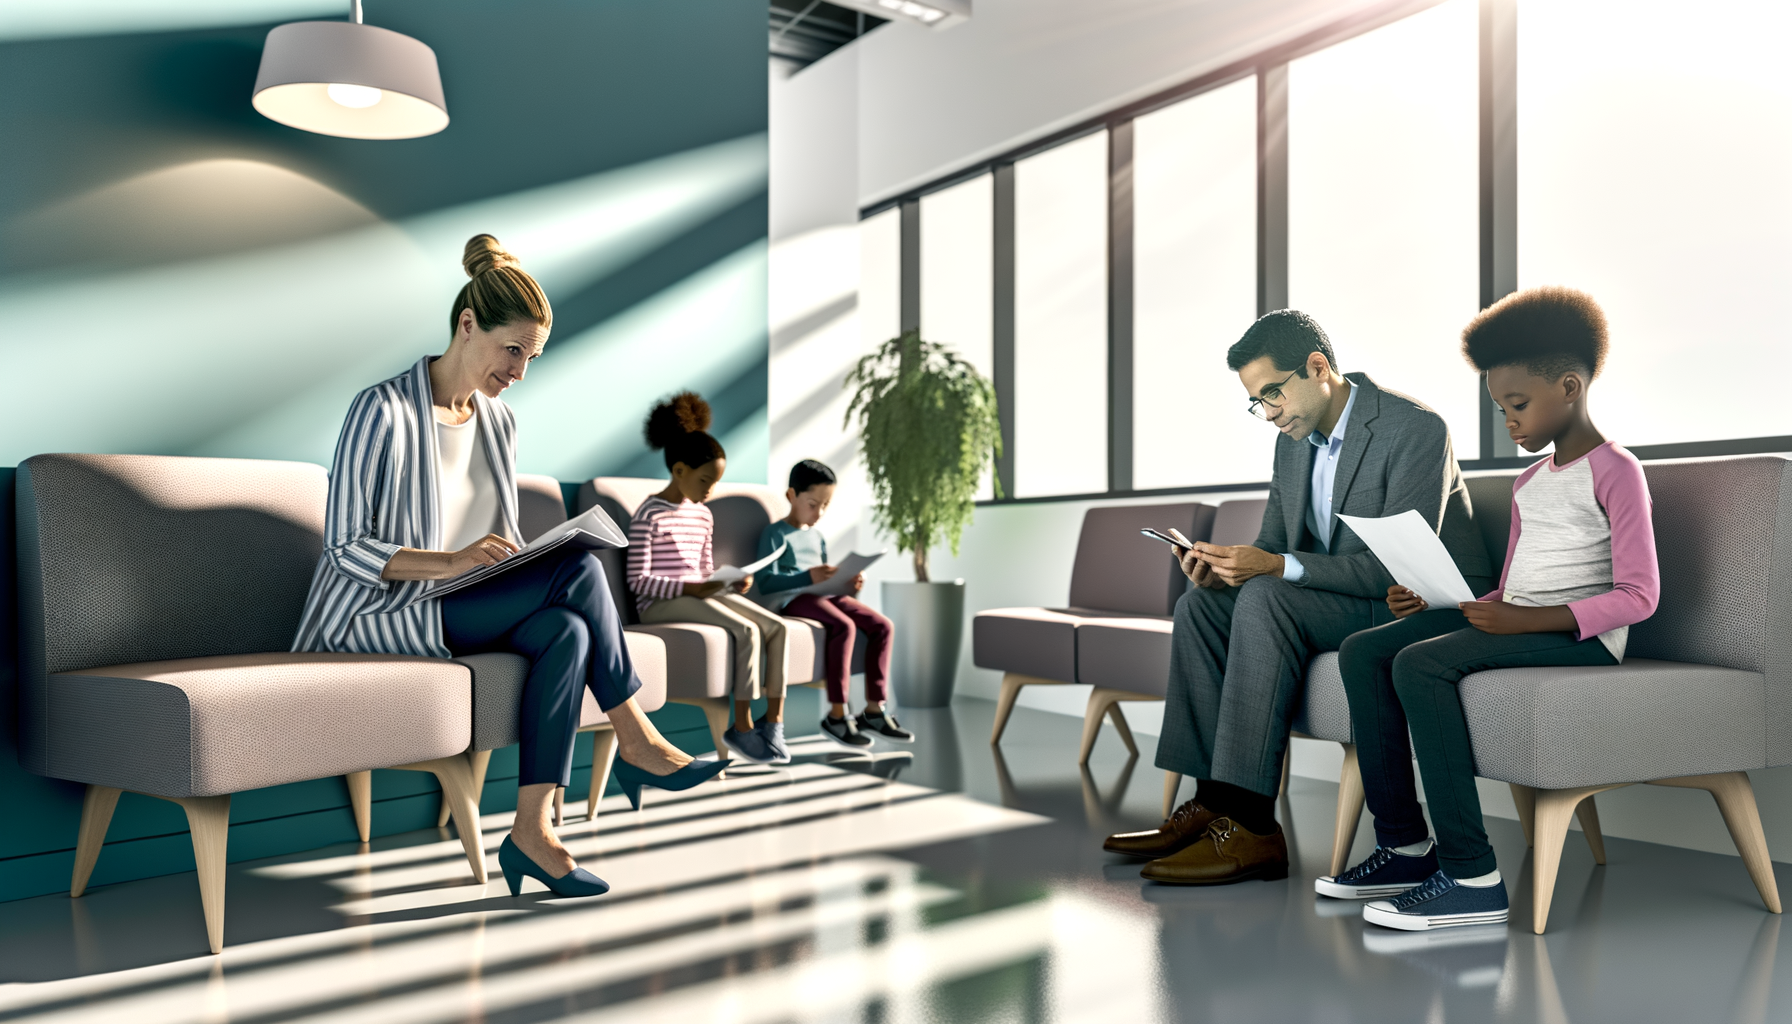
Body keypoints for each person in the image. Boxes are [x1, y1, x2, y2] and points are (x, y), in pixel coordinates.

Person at [293, 234, 727, 900]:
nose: (520, 371)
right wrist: (452, 560)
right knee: (581, 574)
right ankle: (636, 735)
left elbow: (501, 534)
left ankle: (532, 831)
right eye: (514, 350)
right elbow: (344, 548)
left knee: (567, 631)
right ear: (468, 325)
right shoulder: (381, 411)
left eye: (533, 356)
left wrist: (514, 558)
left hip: (465, 598)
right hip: (383, 610)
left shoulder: (500, 424)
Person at [1102, 309, 1494, 885]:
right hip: (1338, 596)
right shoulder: (1292, 443)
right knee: (1201, 608)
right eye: (1255, 402)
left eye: (1272, 393)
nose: (1267, 412)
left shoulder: (1414, 429)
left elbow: (1394, 566)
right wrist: (1220, 572)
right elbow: (1272, 545)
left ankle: (1253, 827)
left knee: (1268, 599)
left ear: (1317, 368)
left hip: (1412, 602)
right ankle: (1213, 804)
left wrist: (1271, 568)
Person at [1319, 287, 1659, 931]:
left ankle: (1473, 876)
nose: (1509, 421)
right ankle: (1405, 848)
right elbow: (1512, 586)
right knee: (1365, 650)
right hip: (1524, 620)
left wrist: (1525, 620)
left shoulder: (1617, 470)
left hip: (1583, 638)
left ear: (1569, 387)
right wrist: (1442, 600)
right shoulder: (1530, 481)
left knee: (1420, 665)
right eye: (1501, 409)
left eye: (1518, 405)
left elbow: (1640, 597)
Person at [629, 393, 793, 765]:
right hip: (659, 604)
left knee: (777, 627)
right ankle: (742, 726)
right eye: (705, 480)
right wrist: (692, 587)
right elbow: (638, 580)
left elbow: (704, 569)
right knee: (747, 631)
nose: (709, 491)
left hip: (699, 593)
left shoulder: (703, 514)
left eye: (715, 482)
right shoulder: (649, 514)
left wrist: (728, 582)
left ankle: (774, 723)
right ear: (679, 470)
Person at [755, 459, 903, 749]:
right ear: (791, 496)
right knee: (844, 626)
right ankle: (837, 715)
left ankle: (874, 710)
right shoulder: (775, 534)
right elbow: (766, 581)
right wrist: (807, 576)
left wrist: (849, 585)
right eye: (813, 504)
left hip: (824, 596)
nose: (819, 513)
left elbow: (826, 580)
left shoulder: (818, 537)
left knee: (883, 626)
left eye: (825, 505)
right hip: (794, 599)